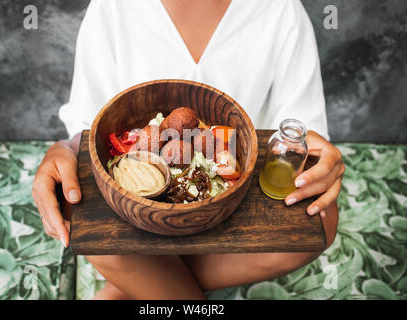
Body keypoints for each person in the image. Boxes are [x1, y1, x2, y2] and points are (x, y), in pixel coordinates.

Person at [32, 0, 345, 300]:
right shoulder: (112, 6)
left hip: (232, 209)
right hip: (137, 219)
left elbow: (301, 130)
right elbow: (87, 126)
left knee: (323, 216)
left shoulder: (280, 9)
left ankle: (145, 284)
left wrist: (319, 160)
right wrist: (65, 148)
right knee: (75, 205)